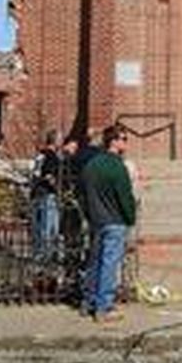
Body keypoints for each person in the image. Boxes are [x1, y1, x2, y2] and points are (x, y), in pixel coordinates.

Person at [78, 124, 136, 321]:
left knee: (94, 262)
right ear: (113, 141)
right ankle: (104, 307)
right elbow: (125, 197)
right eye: (123, 139)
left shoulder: (91, 165)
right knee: (109, 264)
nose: (126, 143)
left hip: (96, 220)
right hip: (115, 221)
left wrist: (88, 214)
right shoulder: (117, 167)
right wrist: (130, 218)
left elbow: (81, 194)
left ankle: (88, 302)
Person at [30, 129, 62, 261]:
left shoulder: (39, 155)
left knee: (37, 225)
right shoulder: (52, 157)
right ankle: (45, 254)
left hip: (36, 192)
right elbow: (49, 176)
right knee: (48, 226)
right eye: (60, 139)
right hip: (48, 193)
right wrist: (58, 189)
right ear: (56, 141)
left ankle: (37, 252)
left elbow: (34, 174)